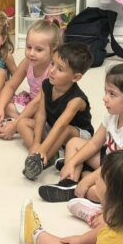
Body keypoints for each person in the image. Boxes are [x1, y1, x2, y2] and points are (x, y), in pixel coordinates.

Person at [38, 62, 123, 202]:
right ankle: (69, 184)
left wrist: (87, 180)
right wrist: (72, 163)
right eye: (106, 92)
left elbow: (116, 166)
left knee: (97, 192)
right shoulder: (112, 115)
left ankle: (81, 176)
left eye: (112, 94)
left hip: (120, 171)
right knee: (73, 143)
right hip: (107, 159)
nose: (105, 98)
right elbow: (94, 144)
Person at [19, 42, 94, 180]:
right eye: (52, 64)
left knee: (66, 130)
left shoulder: (76, 99)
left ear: (75, 77)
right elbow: (41, 115)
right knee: (23, 123)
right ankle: (48, 154)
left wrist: (43, 148)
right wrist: (36, 143)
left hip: (77, 134)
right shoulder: (46, 84)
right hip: (54, 128)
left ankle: (43, 159)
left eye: (60, 69)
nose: (52, 71)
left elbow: (61, 125)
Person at [0, 19, 60, 138]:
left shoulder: (52, 70)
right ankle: (21, 122)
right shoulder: (28, 62)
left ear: (53, 51)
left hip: (46, 108)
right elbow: (11, 86)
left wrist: (15, 125)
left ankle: (22, 124)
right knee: (2, 102)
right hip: (31, 102)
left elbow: (39, 102)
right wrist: (0, 109)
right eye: (29, 47)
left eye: (39, 49)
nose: (31, 53)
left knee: (40, 120)